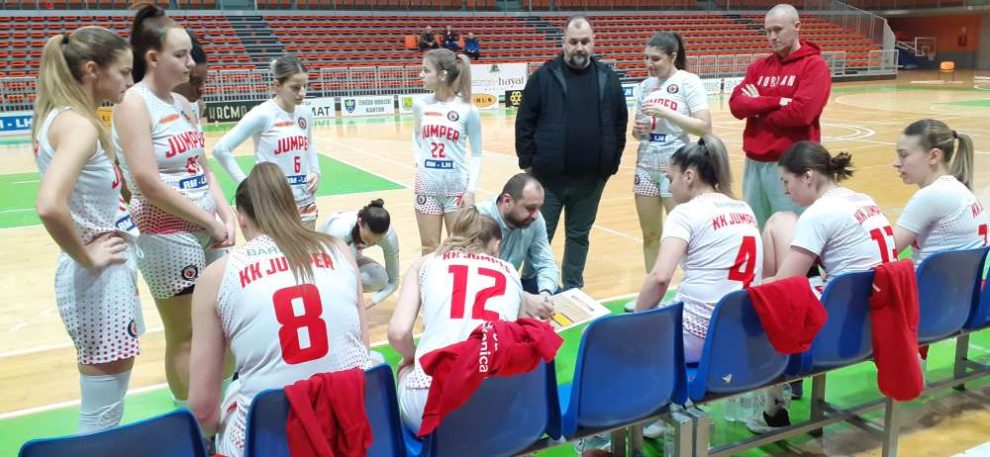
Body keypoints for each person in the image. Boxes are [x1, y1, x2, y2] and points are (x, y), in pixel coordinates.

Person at [188, 163, 372, 457]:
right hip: (346, 429)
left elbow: (202, 413)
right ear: (293, 208)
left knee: (233, 392)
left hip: (273, 443)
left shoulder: (217, 275)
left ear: (241, 218)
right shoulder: (340, 250)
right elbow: (362, 351)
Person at [113, 4, 236, 404]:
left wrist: (226, 214)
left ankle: (224, 406)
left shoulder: (184, 105)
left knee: (223, 322)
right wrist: (209, 221)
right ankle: (193, 421)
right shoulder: (133, 102)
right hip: (166, 233)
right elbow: (147, 182)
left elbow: (205, 167)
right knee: (185, 334)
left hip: (208, 226)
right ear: (153, 58)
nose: (190, 63)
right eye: (181, 55)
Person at [33, 26, 140, 433]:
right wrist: (87, 255)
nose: (129, 81)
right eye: (124, 72)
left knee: (105, 407)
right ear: (93, 70)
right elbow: (49, 205)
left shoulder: (59, 117)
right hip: (100, 276)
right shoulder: (78, 125)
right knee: (102, 413)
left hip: (101, 275)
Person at [624, 136, 761, 444]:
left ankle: (647, 415)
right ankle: (670, 407)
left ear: (689, 176)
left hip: (699, 336)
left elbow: (660, 278)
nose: (668, 186)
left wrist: (636, 321)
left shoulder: (685, 213)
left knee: (621, 331)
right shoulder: (744, 208)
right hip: (739, 331)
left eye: (670, 178)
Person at [755, 141, 894, 433]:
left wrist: (755, 287)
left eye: (786, 181)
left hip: (835, 333)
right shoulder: (863, 199)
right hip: (876, 321)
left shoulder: (819, 214)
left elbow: (784, 284)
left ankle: (773, 402)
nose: (785, 191)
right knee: (782, 221)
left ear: (808, 176)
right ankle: (778, 391)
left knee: (765, 295)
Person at [515, 16, 627, 290]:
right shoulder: (544, 76)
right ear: (564, 42)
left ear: (593, 42)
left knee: (579, 236)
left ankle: (573, 289)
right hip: (548, 180)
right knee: (539, 236)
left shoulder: (608, 78)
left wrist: (611, 164)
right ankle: (530, 288)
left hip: (591, 180)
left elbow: (619, 122)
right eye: (574, 42)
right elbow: (525, 121)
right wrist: (528, 163)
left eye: (585, 42)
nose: (579, 47)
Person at [388, 208, 523, 432]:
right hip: (494, 402)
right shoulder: (510, 271)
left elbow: (398, 333)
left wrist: (411, 359)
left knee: (406, 368)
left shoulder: (426, 262)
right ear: (496, 245)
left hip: (432, 404)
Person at [728, 3, 831, 229]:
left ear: (797, 26)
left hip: (793, 167)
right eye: (768, 31)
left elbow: (801, 114)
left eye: (777, 30)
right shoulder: (759, 67)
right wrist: (776, 102)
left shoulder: (814, 65)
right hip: (754, 164)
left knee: (793, 233)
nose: (772, 37)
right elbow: (736, 105)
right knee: (757, 230)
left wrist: (757, 108)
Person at [631, 31, 712, 273]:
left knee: (681, 236)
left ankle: (690, 285)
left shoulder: (688, 81)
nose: (649, 64)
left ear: (672, 56)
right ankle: (653, 287)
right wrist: (639, 131)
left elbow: (704, 127)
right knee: (650, 234)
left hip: (676, 166)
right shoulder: (644, 86)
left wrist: (666, 113)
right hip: (646, 164)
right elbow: (637, 132)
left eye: (655, 59)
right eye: (646, 58)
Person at [213, 54, 321, 229]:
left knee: (307, 247)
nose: (302, 93)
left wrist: (316, 171)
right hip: (275, 202)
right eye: (295, 87)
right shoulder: (263, 114)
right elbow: (221, 149)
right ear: (277, 85)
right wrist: (247, 186)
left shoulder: (305, 113)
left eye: (305, 86)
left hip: (306, 200)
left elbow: (309, 144)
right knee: (277, 248)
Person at [412, 48, 482, 254]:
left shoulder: (468, 109)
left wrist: (470, 190)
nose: (421, 74)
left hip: (456, 189)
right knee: (429, 247)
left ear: (442, 75)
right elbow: (416, 135)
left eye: (426, 70)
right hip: (427, 187)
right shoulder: (420, 105)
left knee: (459, 249)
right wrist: (418, 160)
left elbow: (477, 154)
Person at [891, 119, 988, 264]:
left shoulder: (932, 196)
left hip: (929, 279)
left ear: (934, 156)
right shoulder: (960, 190)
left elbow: (883, 252)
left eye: (904, 155)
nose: (896, 163)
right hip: (960, 278)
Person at [477, 173, 559, 319]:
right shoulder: (477, 218)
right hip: (478, 291)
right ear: (507, 201)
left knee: (555, 296)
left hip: (509, 285)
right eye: (530, 208)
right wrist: (523, 298)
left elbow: (546, 263)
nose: (536, 215)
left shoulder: (535, 220)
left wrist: (545, 296)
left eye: (539, 208)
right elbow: (472, 279)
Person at [319, 199, 400, 308]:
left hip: (349, 255)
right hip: (321, 255)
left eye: (376, 241)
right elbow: (324, 270)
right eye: (366, 238)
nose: (369, 243)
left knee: (379, 279)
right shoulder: (339, 230)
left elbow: (393, 281)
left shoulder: (389, 238)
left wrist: (366, 305)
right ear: (359, 222)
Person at [173, 31, 208, 125]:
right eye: (195, 81)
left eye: (203, 81)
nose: (202, 90)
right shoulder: (145, 107)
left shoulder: (196, 105)